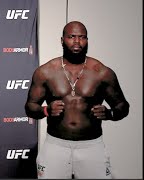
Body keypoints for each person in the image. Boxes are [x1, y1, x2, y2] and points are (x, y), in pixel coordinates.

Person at [25, 21, 129, 179]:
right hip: (55, 146)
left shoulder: (101, 72)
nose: (77, 42)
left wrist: (110, 114)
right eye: (71, 36)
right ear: (62, 40)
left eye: (82, 37)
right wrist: (46, 110)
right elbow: (30, 107)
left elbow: (123, 106)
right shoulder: (45, 72)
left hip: (92, 147)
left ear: (87, 40)